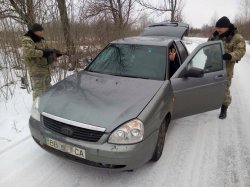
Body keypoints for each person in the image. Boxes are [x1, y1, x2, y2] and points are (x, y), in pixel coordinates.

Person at [208, 16, 246, 119]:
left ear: (226, 27)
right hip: (211, 66)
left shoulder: (237, 37)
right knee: (208, 85)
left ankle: (224, 109)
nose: (217, 30)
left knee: (224, 89)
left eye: (219, 28)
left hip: (225, 69)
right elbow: (207, 47)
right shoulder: (215, 36)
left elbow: (241, 51)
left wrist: (230, 56)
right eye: (217, 28)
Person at [22, 23, 61, 100]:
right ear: (34, 31)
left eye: (42, 30)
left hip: (45, 68)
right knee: (38, 91)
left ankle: (47, 106)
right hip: (36, 69)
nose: (42, 32)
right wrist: (43, 53)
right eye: (40, 31)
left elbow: (46, 50)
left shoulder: (41, 39)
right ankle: (36, 110)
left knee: (48, 88)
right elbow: (28, 52)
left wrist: (54, 54)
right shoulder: (27, 39)